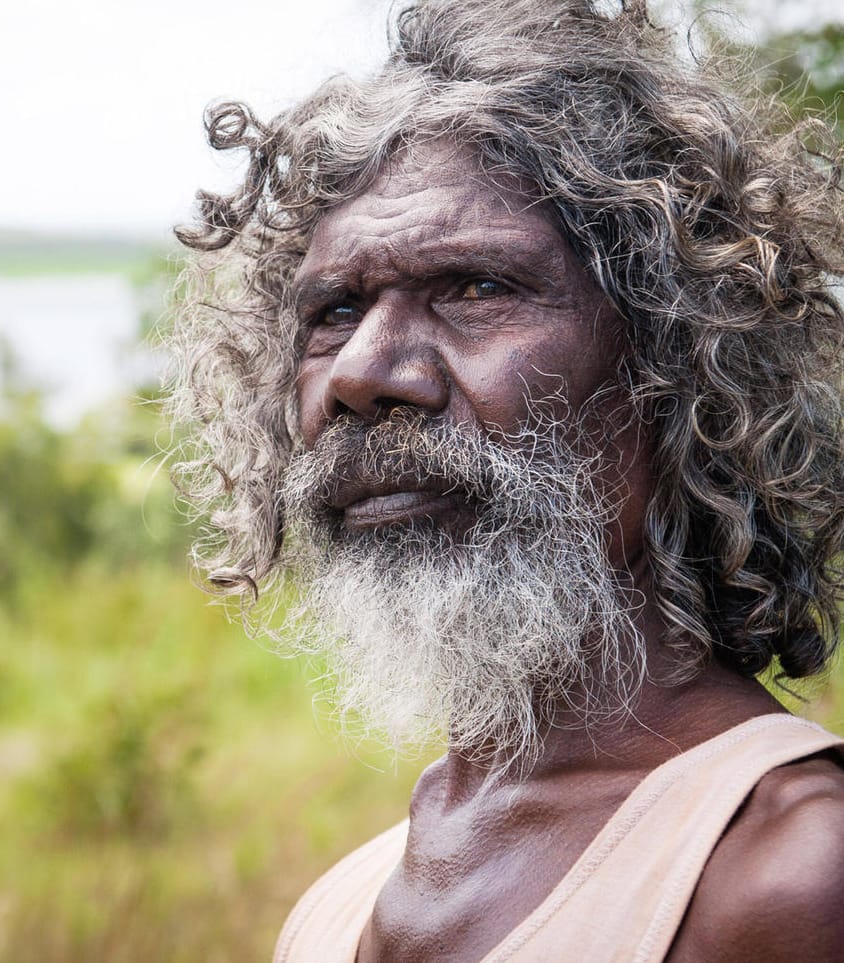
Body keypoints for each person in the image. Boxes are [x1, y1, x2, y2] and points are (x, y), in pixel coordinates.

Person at [165, 1, 844, 959]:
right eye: (335, 308)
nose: (361, 373)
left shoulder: (787, 874)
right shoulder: (340, 903)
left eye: (476, 288)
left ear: (678, 360)